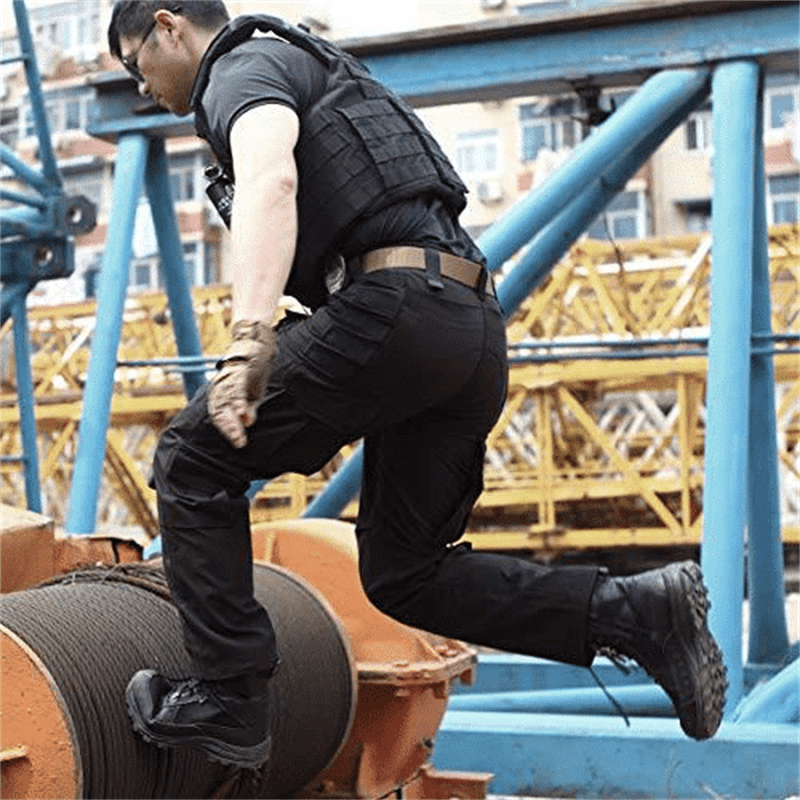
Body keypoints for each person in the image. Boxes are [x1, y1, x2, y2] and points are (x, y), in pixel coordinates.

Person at [108, 0, 727, 769]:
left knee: (194, 459)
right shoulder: (328, 72)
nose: (142, 88)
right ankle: (633, 610)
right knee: (407, 573)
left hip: (392, 310)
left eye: (138, 65)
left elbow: (271, 180)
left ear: (170, 26)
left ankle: (230, 697)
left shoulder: (241, 66)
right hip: (467, 325)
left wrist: (249, 339)